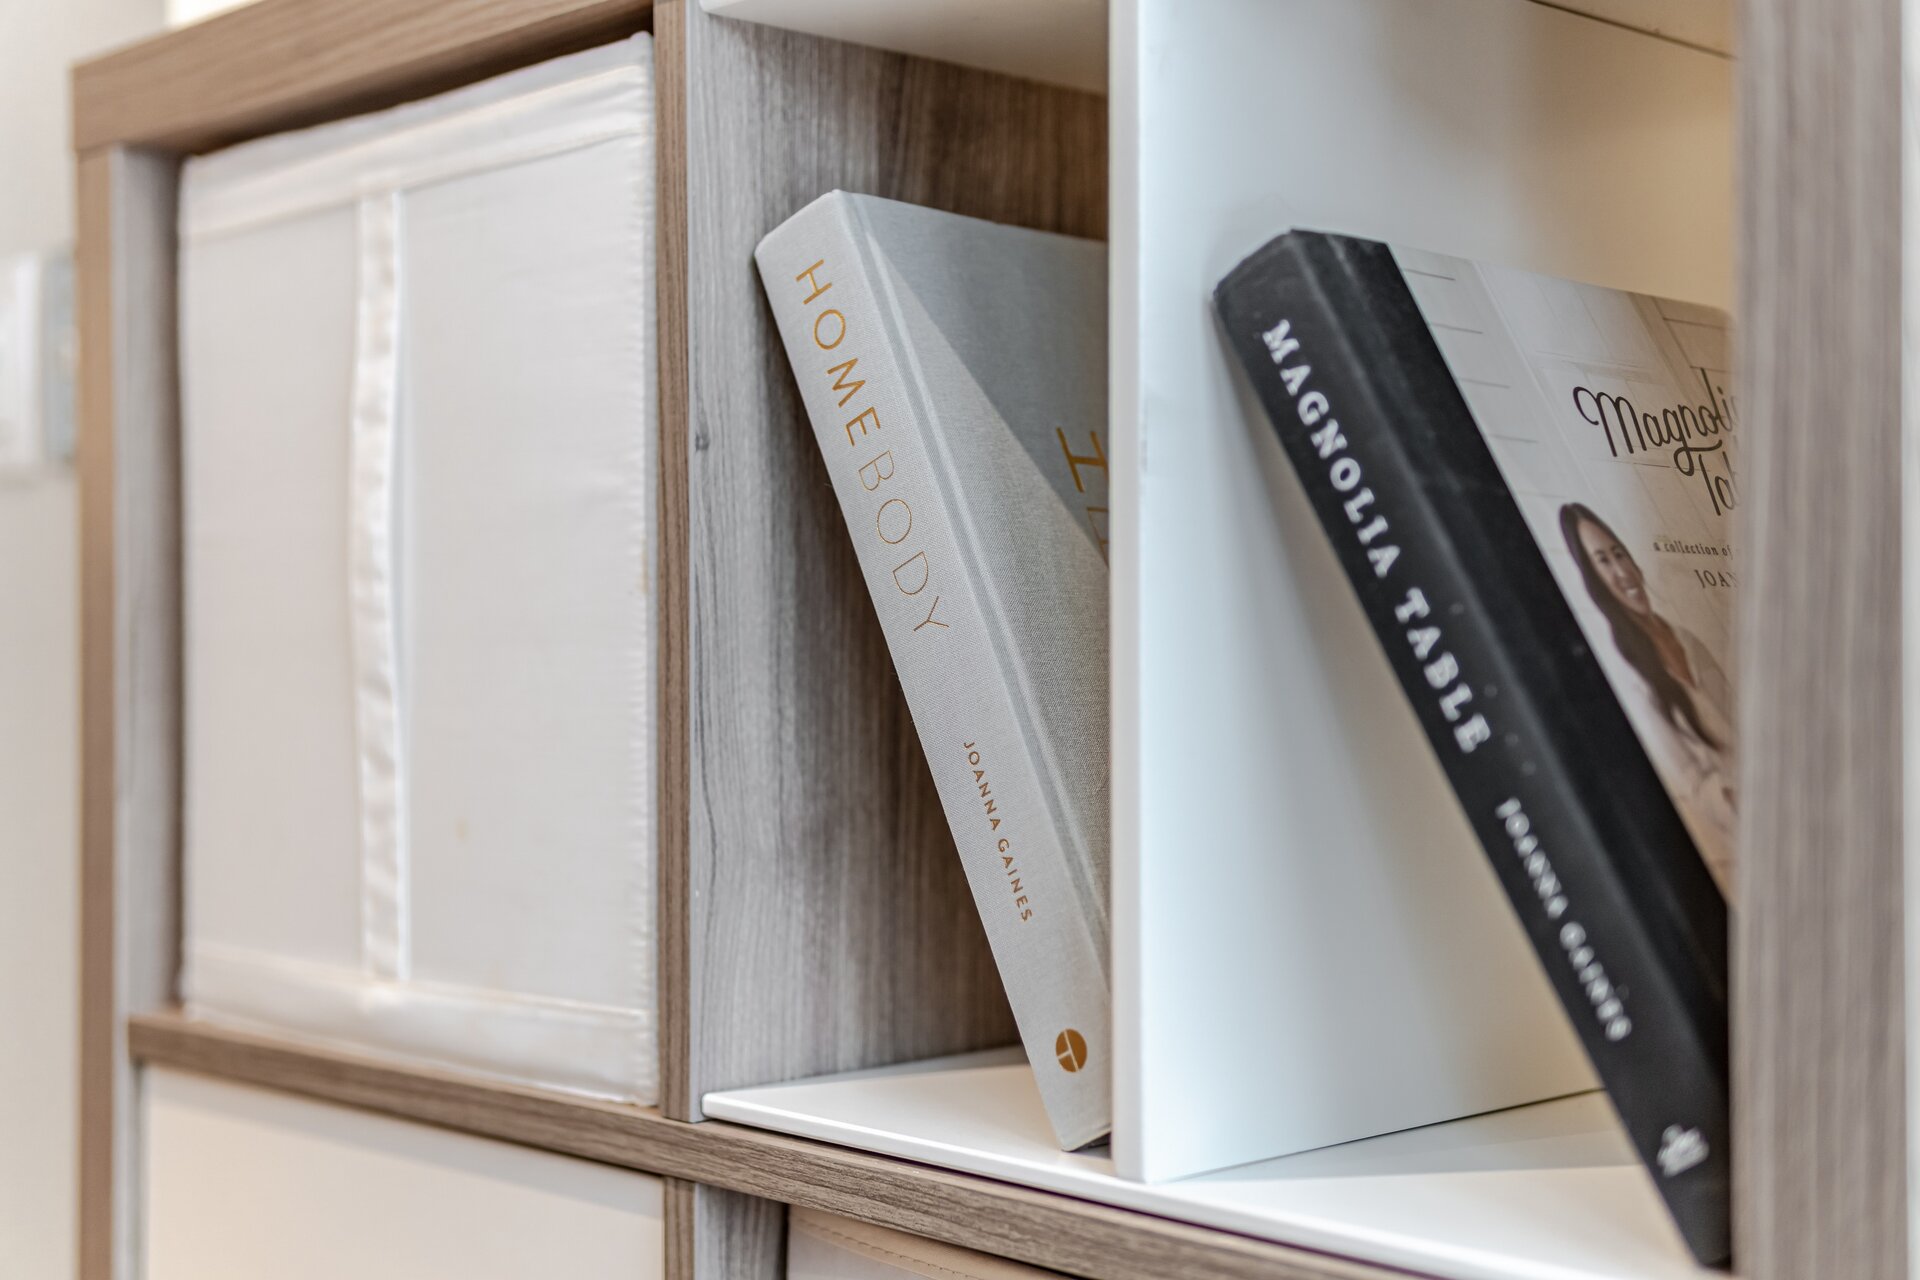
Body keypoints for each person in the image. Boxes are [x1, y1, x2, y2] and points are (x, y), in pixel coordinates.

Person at [1558, 502, 1735, 889]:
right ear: (1594, 581)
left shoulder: (1687, 640)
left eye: (1619, 553)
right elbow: (1687, 785)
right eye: (1604, 562)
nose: (1621, 571)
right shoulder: (1630, 679)